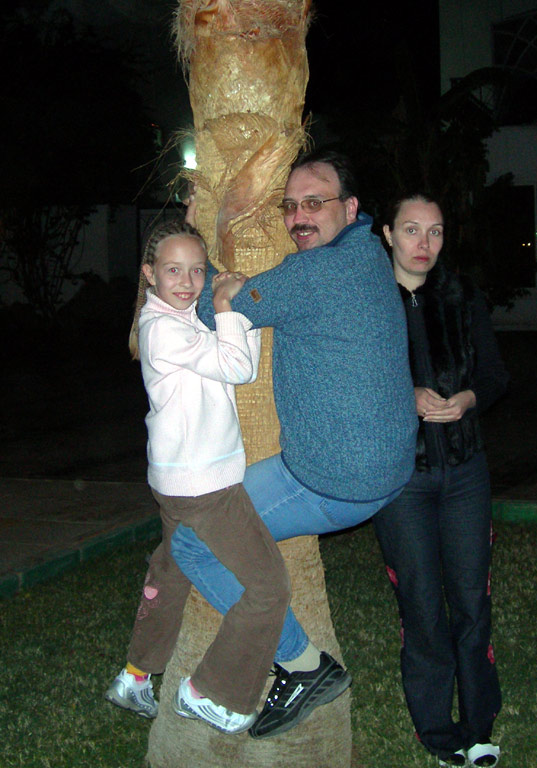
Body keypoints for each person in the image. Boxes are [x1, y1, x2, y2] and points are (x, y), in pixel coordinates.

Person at [171, 148, 419, 739]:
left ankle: (303, 665)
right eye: (289, 206)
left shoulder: (316, 273)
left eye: (314, 203)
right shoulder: (367, 253)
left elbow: (207, 307)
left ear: (351, 208)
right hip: (384, 466)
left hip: (335, 479)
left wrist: (204, 254)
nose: (298, 217)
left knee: (193, 543)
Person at [105, 219, 291, 735]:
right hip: (204, 487)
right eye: (173, 270)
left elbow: (238, 357)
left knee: (171, 571)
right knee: (269, 587)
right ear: (149, 273)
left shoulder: (179, 319)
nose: (187, 282)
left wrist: (237, 313)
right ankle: (212, 692)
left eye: (197, 270)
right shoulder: (163, 329)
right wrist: (228, 305)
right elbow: (238, 368)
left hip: (177, 480)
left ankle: (136, 674)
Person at [371, 193, 508, 767]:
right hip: (402, 479)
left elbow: (495, 375)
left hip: (465, 473)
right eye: (411, 230)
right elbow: (350, 383)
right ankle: (436, 728)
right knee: (422, 605)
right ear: (387, 234)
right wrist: (404, 396)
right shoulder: (368, 300)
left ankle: (479, 725)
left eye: (435, 231)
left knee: (472, 602)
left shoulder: (461, 294)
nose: (424, 244)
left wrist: (469, 398)